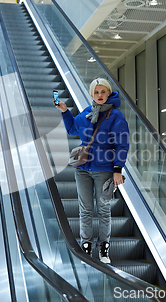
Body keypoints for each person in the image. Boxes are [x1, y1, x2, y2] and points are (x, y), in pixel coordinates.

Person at [55, 78, 129, 263]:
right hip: (82, 168)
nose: (100, 95)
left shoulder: (116, 116)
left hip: (104, 168)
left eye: (103, 92)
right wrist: (65, 111)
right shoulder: (87, 113)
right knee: (85, 209)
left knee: (103, 209)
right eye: (96, 92)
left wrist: (117, 169)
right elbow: (73, 129)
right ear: (91, 94)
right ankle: (86, 246)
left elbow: (122, 144)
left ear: (109, 92)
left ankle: (104, 248)